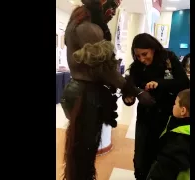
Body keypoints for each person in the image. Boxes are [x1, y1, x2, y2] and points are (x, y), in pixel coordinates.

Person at [60, 1, 155, 180]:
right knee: (85, 151)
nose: (112, 14)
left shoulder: (76, 24)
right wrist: (137, 92)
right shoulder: (89, 29)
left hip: (78, 91)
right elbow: (106, 70)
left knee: (80, 149)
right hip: (86, 95)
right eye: (112, 8)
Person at [122, 33, 190, 180]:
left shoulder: (168, 60)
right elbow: (130, 89)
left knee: (160, 156)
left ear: (153, 48)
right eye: (138, 56)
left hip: (166, 117)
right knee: (140, 157)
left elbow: (184, 83)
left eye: (144, 54)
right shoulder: (136, 68)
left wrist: (159, 83)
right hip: (145, 117)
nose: (142, 59)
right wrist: (128, 98)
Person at [146, 89, 190, 180]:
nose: (173, 106)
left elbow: (162, 171)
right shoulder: (178, 126)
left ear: (183, 110)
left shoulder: (178, 141)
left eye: (175, 104)